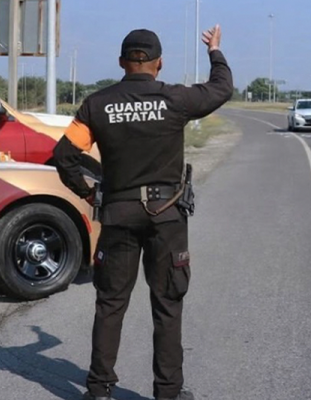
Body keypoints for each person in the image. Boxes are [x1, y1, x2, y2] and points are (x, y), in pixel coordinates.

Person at [51, 25, 233, 400]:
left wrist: (88, 192)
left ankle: (99, 390)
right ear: (159, 64)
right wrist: (214, 51)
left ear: (121, 62)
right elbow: (221, 88)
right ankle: (168, 392)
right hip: (166, 216)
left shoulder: (97, 104)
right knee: (167, 304)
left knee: (111, 303)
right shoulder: (176, 99)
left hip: (118, 214)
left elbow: (65, 156)